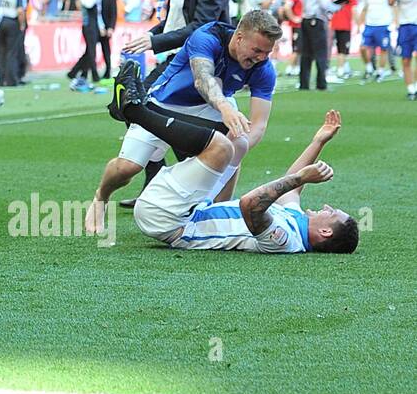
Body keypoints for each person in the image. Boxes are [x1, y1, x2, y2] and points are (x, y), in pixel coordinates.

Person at [113, 66, 357, 254]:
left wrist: (300, 178)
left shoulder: (285, 239)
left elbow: (250, 204)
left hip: (168, 220)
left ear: (325, 231)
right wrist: (318, 142)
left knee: (219, 146)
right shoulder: (296, 221)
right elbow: (291, 189)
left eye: (332, 212)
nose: (327, 206)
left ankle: (137, 111)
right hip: (192, 209)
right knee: (238, 142)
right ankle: (148, 109)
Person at [88, 10, 279, 231]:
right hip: (164, 105)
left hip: (211, 108)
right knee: (127, 168)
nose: (261, 58)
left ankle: (216, 210)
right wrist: (225, 107)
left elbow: (259, 125)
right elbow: (203, 79)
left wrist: (228, 156)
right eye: (257, 50)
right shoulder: (207, 36)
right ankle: (101, 196)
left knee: (239, 141)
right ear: (239, 38)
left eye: (267, 52)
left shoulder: (264, 69)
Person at [119, 0, 230, 206]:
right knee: (135, 109)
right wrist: (151, 34)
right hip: (175, 59)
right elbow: (174, 22)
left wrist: (154, 42)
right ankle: (169, 184)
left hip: (193, 63)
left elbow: (202, 27)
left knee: (136, 108)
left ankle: (190, 188)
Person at [299, 0, 340, 92]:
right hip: (316, 20)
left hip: (305, 19)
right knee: (320, 53)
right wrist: (337, 6)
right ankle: (321, 83)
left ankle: (304, 83)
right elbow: (324, 4)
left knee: (306, 53)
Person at [67, 0, 104, 91]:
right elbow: (89, 3)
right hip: (88, 25)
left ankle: (76, 72)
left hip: (94, 25)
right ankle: (94, 75)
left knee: (89, 51)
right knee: (91, 51)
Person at [356, 0, 394, 82]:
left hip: (383, 25)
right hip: (370, 25)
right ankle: (369, 68)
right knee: (363, 48)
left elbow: (393, 5)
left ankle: (380, 71)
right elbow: (363, 8)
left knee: (383, 49)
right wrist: (359, 23)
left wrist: (394, 21)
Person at [390, 0, 417, 100]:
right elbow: (390, 1)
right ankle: (411, 89)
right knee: (406, 60)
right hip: (404, 27)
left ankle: (416, 85)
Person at [331, 0, 357, 80]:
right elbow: (354, 8)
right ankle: (340, 70)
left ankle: (345, 68)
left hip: (335, 23)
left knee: (340, 47)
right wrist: (357, 23)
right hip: (345, 24)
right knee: (343, 49)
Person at [99, 0, 119, 80]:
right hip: (95, 27)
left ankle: (107, 71)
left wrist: (111, 27)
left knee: (106, 50)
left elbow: (113, 14)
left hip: (106, 27)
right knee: (90, 51)